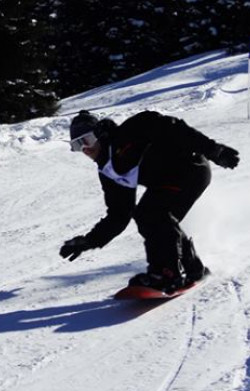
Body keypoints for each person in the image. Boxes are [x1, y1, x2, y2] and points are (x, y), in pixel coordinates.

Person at [59, 110, 240, 293]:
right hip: (166, 182)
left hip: (190, 168)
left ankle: (166, 274)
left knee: (152, 214)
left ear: (100, 133)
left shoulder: (131, 130)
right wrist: (89, 241)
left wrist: (214, 150)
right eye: (77, 145)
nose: (85, 149)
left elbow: (175, 128)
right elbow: (119, 214)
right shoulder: (108, 171)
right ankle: (192, 268)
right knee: (155, 218)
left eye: (86, 140)